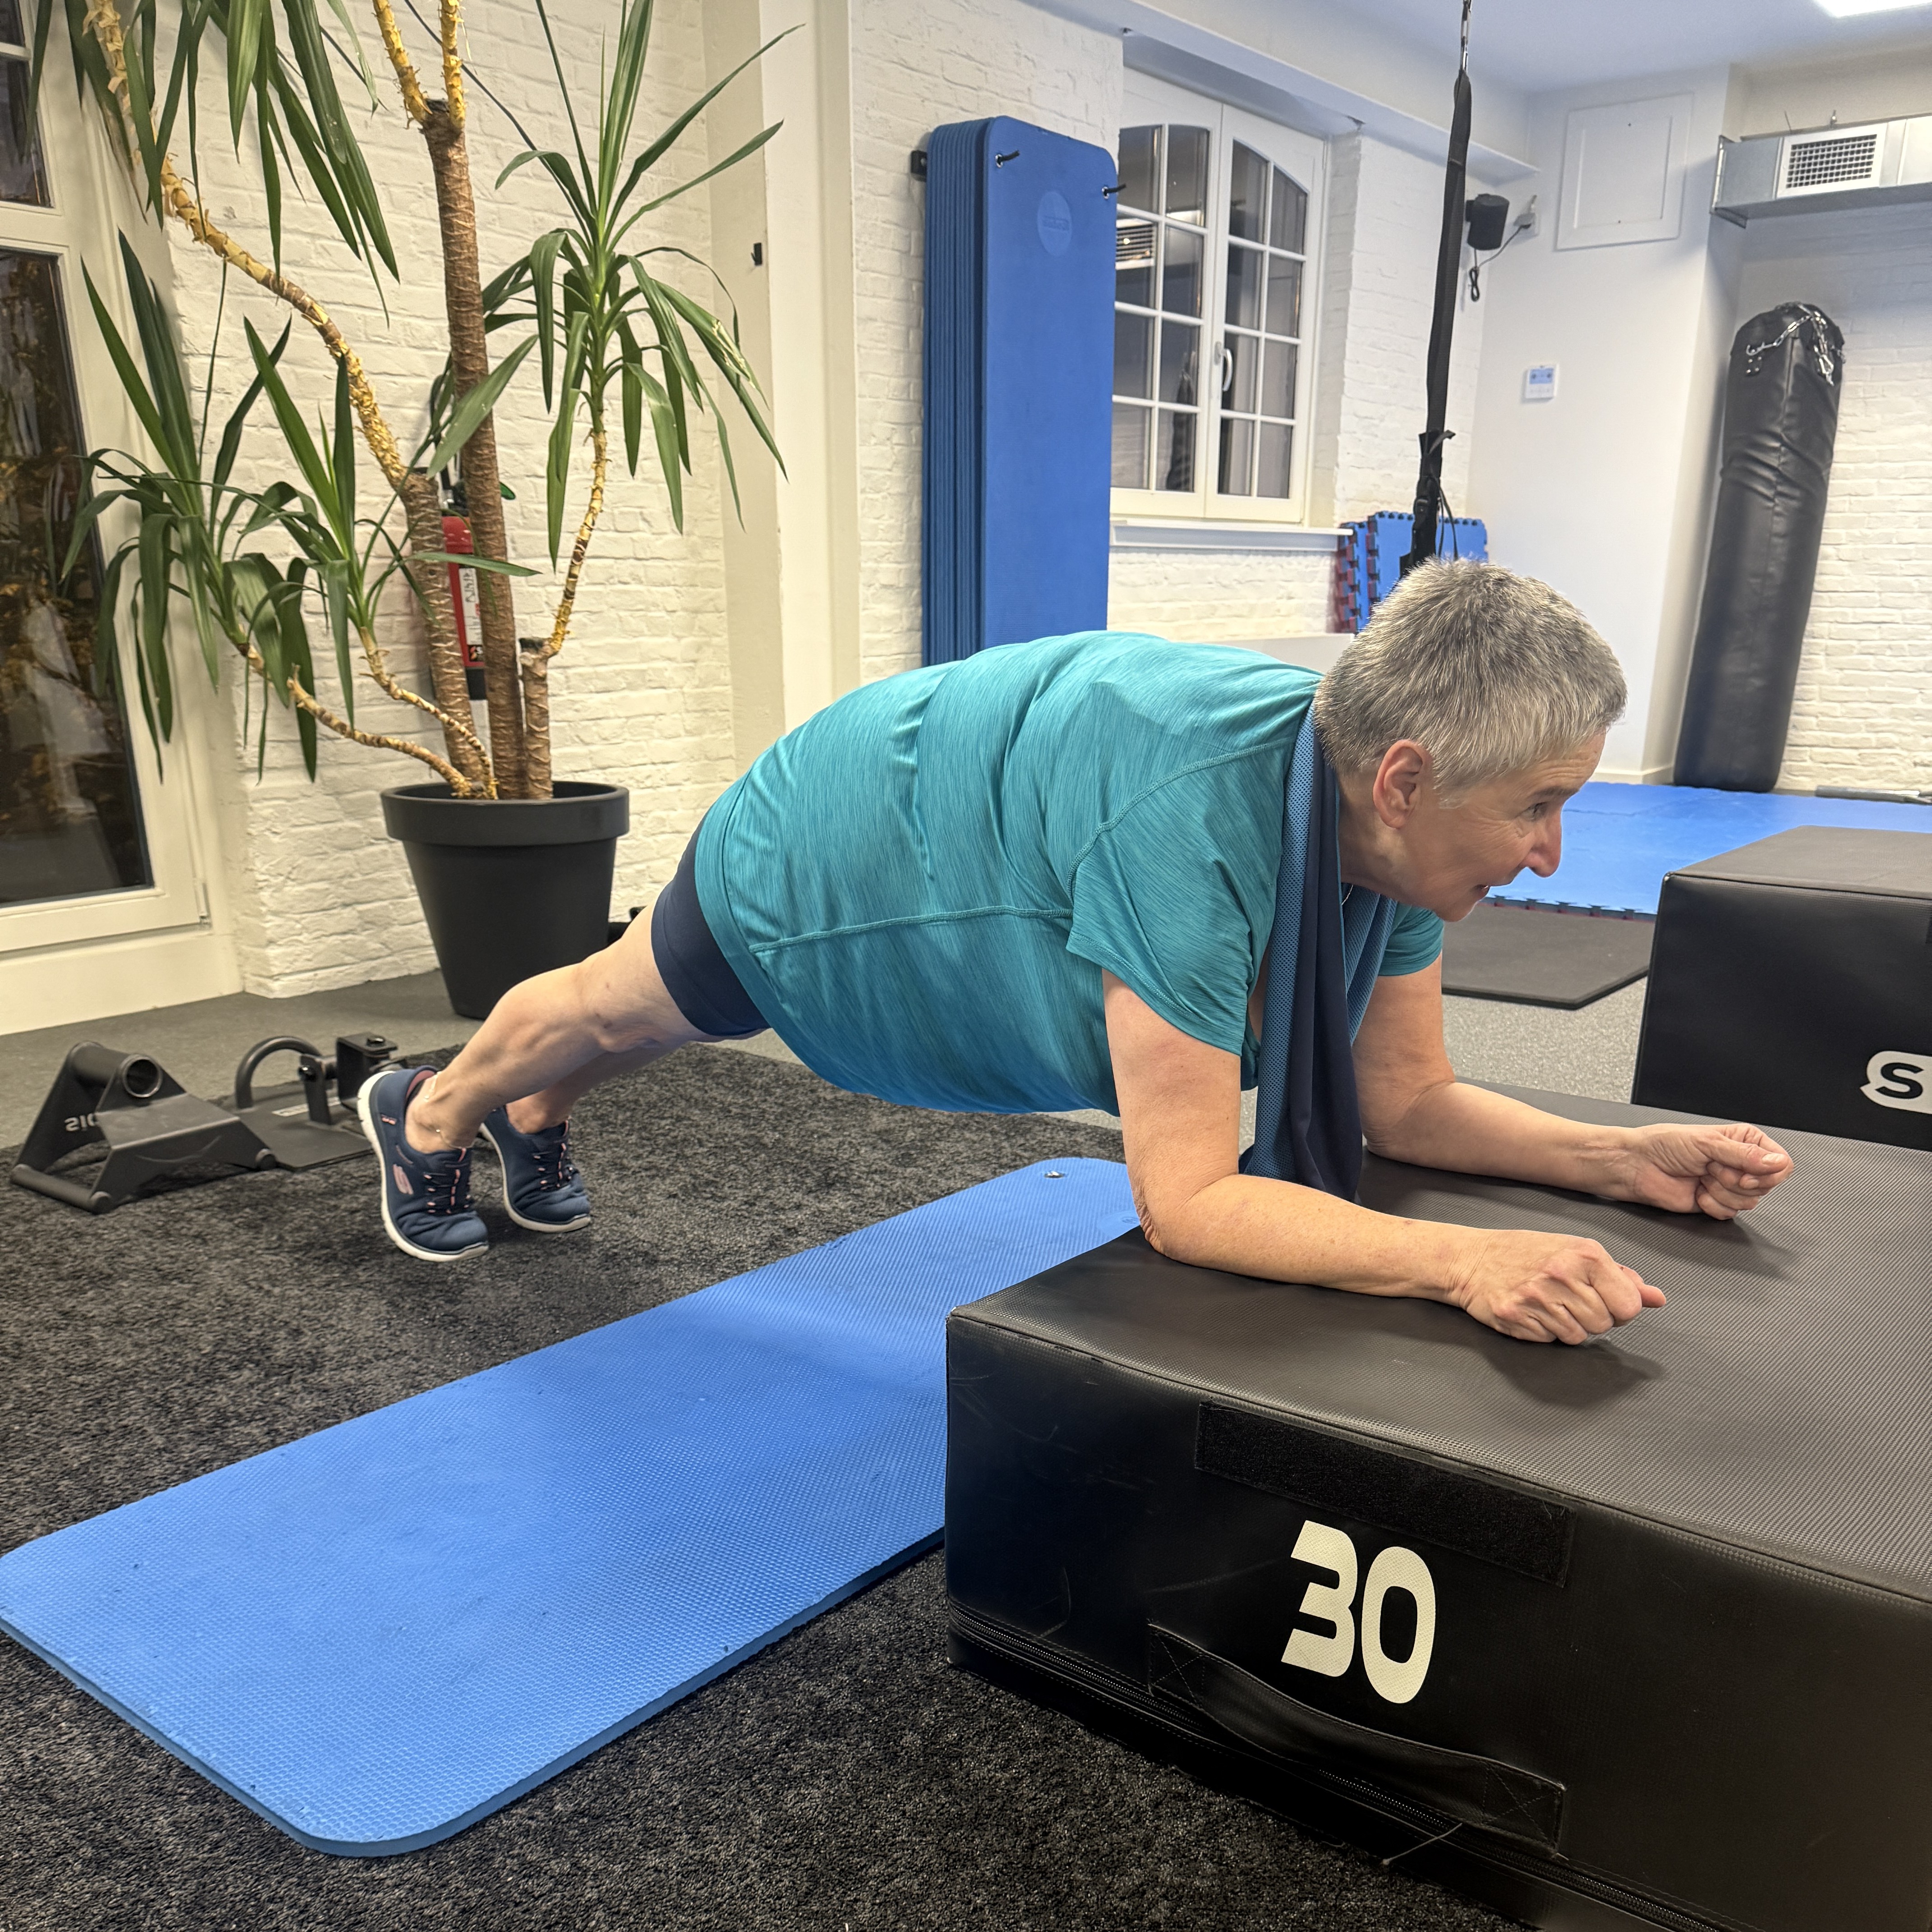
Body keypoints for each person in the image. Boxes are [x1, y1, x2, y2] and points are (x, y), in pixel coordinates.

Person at [359, 561, 1793, 1343]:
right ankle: (428, 1108)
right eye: (1536, 806)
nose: (1551, 852)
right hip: (838, 849)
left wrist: (1621, 1159)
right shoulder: (1197, 827)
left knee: (651, 1026)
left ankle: (531, 1110)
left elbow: (1403, 1101)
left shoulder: (1383, 829)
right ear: (1406, 778)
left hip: (986, 804)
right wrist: (1466, 1265)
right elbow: (1190, 1201)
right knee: (631, 1003)